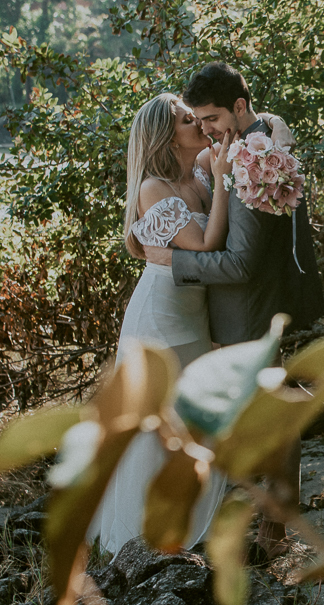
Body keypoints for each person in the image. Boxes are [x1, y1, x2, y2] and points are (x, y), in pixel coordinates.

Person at [89, 93, 298, 555]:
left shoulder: (203, 168)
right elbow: (204, 245)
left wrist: (269, 137)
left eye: (199, 117)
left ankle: (185, 533)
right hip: (159, 316)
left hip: (197, 313)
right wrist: (222, 181)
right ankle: (137, 543)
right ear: (167, 136)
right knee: (154, 428)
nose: (200, 125)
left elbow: (257, 129)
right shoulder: (153, 188)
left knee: (196, 423)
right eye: (188, 120)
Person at [143, 62, 324, 556]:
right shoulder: (250, 140)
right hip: (234, 312)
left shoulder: (252, 156)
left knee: (271, 417)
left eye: (211, 118)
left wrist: (176, 261)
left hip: (248, 310)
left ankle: (274, 530)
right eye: (198, 120)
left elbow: (242, 263)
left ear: (239, 108)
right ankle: (262, 523)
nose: (205, 129)